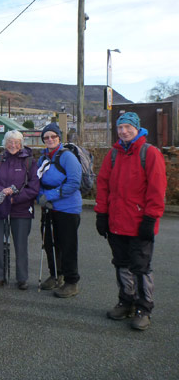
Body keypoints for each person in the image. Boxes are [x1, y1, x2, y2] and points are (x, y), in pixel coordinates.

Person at [95, 112, 166, 331]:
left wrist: (150, 218)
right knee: (121, 264)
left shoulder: (149, 153)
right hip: (117, 223)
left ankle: (143, 308)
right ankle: (126, 301)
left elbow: (157, 189)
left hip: (139, 223)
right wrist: (101, 214)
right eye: (120, 128)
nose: (124, 131)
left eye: (128, 127)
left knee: (141, 267)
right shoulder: (114, 155)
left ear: (137, 128)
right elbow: (103, 185)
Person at [0, 130, 39, 290]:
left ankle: (22, 278)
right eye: (10, 141)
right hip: (0, 207)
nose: (13, 145)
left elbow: (34, 187)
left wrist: (15, 197)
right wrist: (2, 190)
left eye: (16, 142)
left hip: (21, 209)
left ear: (21, 144)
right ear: (5, 143)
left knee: (20, 245)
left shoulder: (29, 162)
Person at [37, 123, 82, 298]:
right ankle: (56, 275)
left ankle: (72, 281)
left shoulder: (68, 157)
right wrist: (41, 196)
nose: (49, 140)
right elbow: (38, 181)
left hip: (68, 209)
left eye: (53, 137)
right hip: (49, 209)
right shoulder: (43, 159)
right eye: (46, 137)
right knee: (49, 242)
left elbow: (73, 183)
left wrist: (49, 197)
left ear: (59, 138)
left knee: (67, 245)